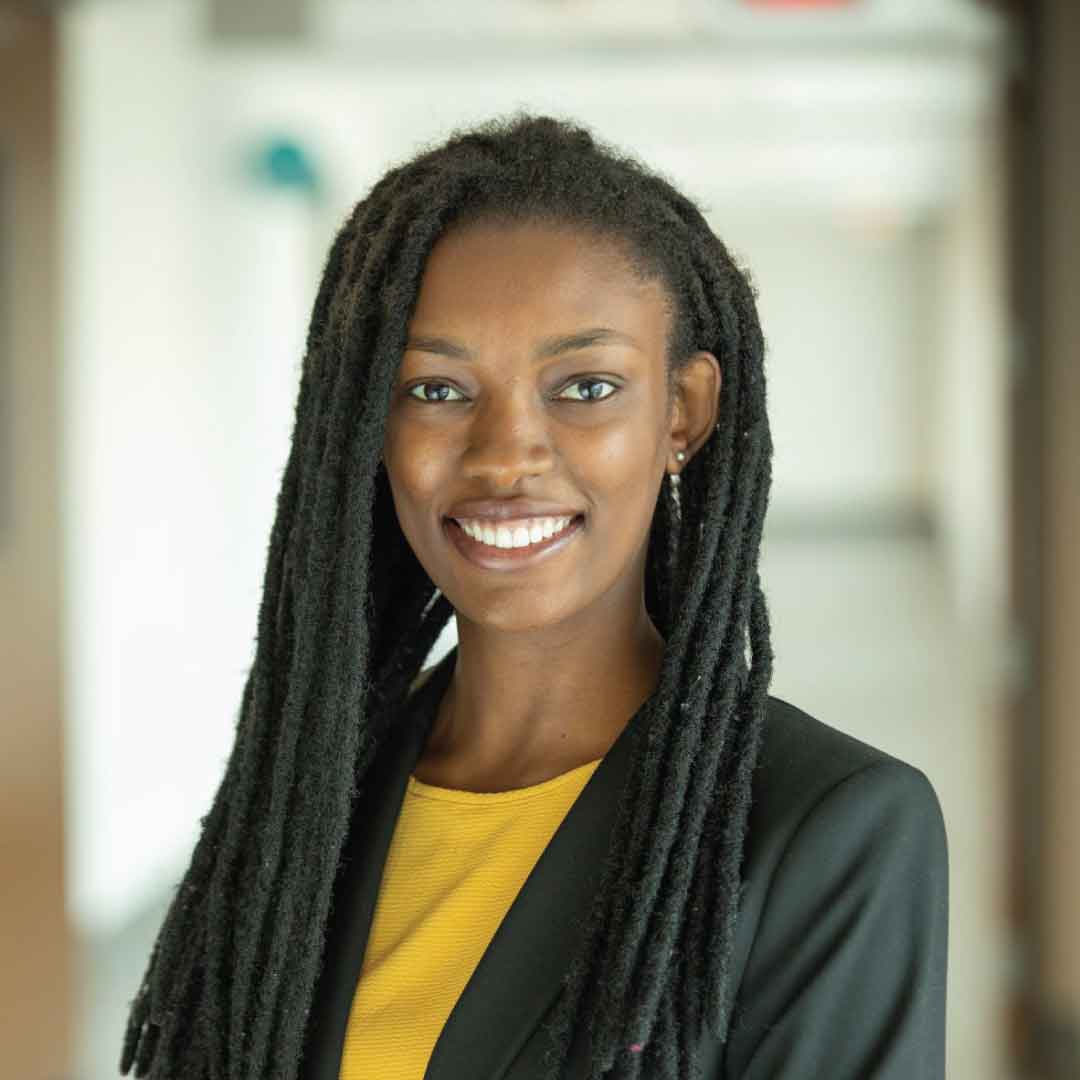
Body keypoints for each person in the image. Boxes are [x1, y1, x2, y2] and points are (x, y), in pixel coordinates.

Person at [120, 113, 948, 1080]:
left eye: (586, 386)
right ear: (370, 425)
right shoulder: (315, 789)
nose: (508, 454)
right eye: (436, 390)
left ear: (682, 412)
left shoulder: (825, 825)